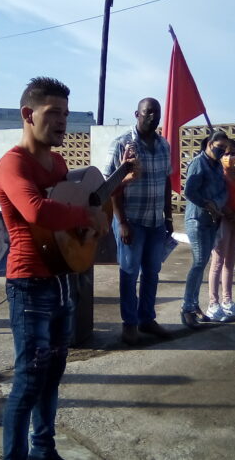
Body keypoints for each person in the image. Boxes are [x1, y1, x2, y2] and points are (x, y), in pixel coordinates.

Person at [0, 77, 110, 460]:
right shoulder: (12, 164)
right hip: (30, 285)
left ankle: (44, 450)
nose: (63, 121)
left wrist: (99, 212)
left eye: (66, 113)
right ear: (28, 114)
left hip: (63, 281)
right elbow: (37, 210)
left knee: (53, 375)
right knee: (28, 381)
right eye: (53, 113)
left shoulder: (59, 162)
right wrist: (88, 216)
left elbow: (72, 207)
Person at [104, 97, 174, 345]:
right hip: (131, 221)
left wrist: (168, 216)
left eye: (156, 112)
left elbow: (166, 182)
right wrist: (121, 221)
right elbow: (109, 186)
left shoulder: (164, 145)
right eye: (147, 112)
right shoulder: (122, 144)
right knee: (129, 272)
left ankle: (147, 319)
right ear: (137, 114)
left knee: (152, 273)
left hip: (156, 221)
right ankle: (129, 324)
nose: (152, 117)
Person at [180, 131, 230, 327]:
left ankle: (194, 304)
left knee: (203, 262)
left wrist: (216, 204)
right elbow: (189, 191)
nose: (222, 151)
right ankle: (187, 307)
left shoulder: (217, 166)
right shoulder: (198, 163)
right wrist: (207, 204)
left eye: (224, 148)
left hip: (212, 220)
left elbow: (223, 190)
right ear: (209, 144)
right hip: (198, 219)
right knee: (199, 262)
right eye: (219, 147)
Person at [207, 138, 235, 320]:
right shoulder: (217, 174)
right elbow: (217, 198)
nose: (229, 156)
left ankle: (227, 301)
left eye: (233, 153)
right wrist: (231, 216)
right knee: (217, 262)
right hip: (223, 221)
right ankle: (213, 303)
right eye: (225, 153)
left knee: (230, 263)